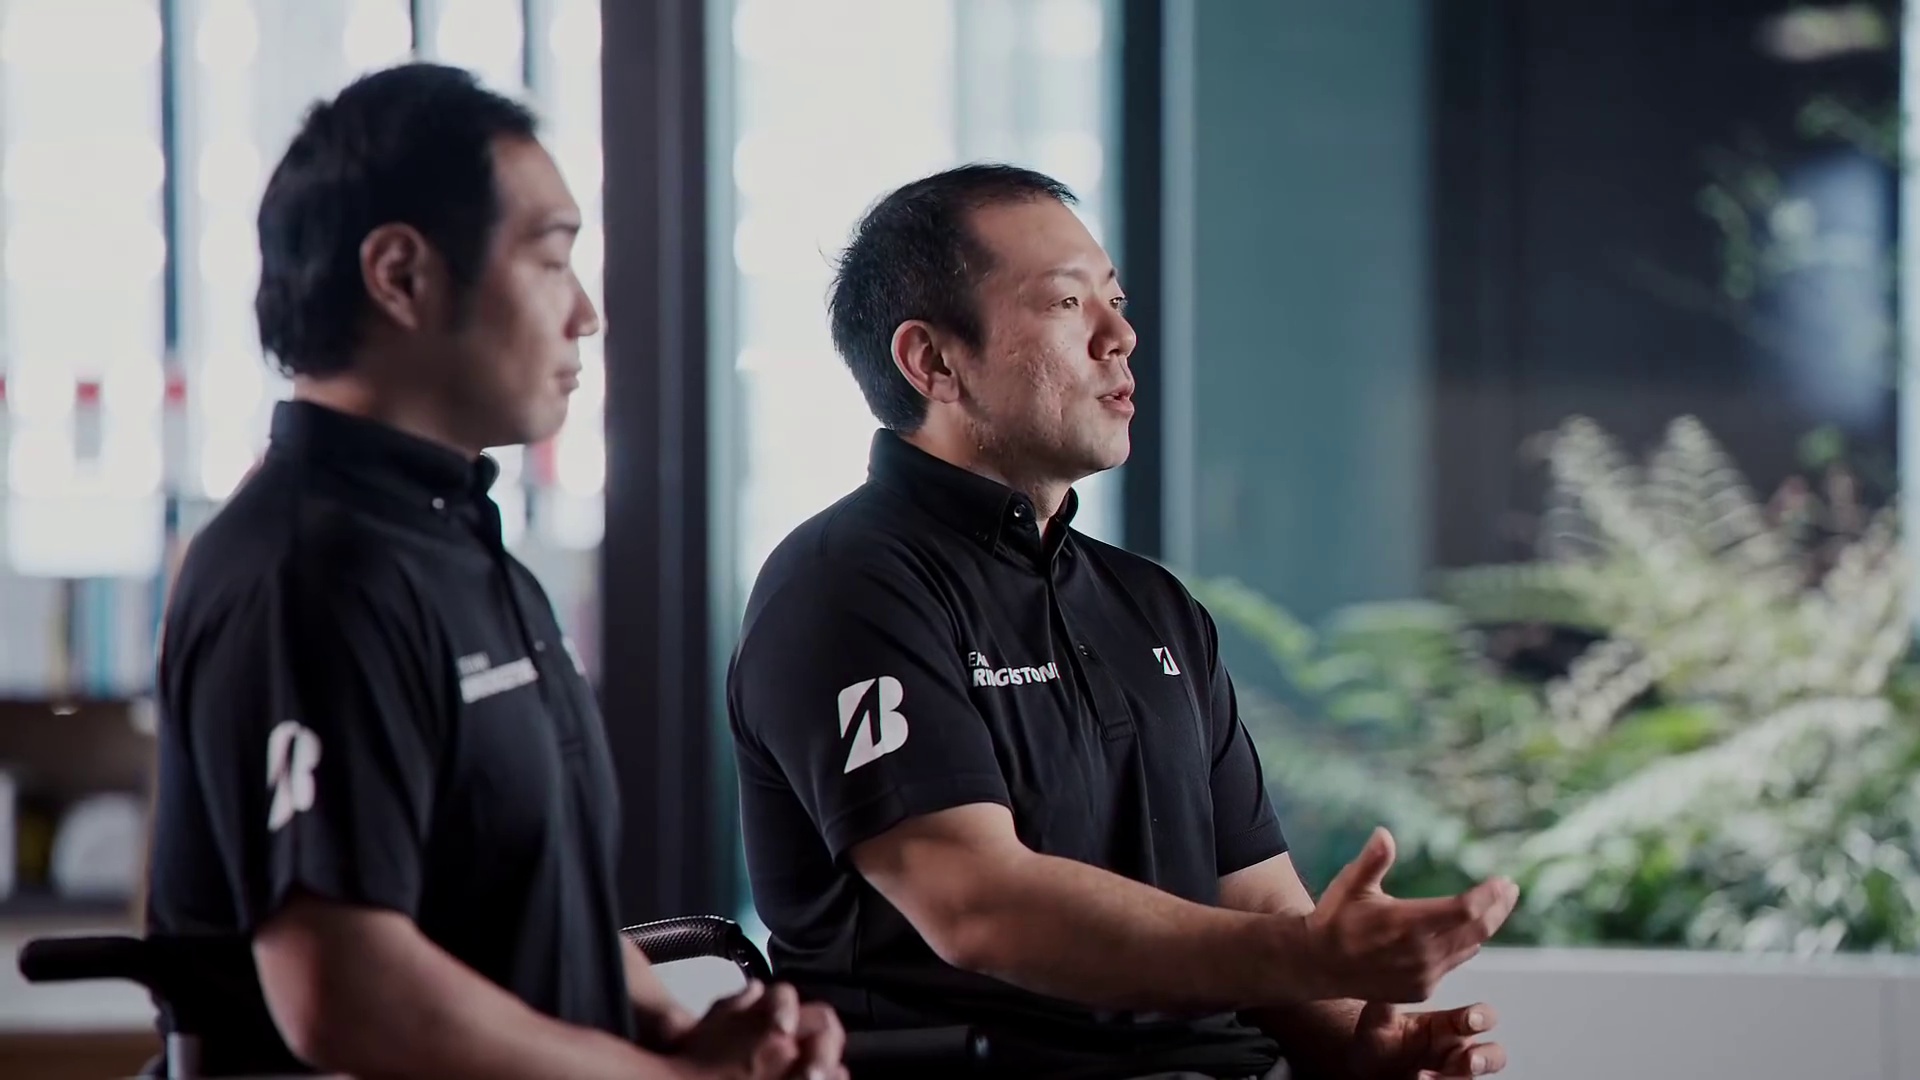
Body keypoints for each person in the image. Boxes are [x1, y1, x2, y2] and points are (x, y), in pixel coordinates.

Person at [726, 163, 1519, 1080]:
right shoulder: (847, 585)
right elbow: (979, 906)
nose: (1121, 335)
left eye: (1117, 299)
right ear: (933, 361)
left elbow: (1258, 900)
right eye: (1068, 303)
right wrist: (1313, 955)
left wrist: (1357, 1043)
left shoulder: (1153, 605)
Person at [146, 62, 844, 1080]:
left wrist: (698, 1036)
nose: (586, 313)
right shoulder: (312, 572)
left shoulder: (463, 547)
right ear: (400, 275)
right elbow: (344, 991)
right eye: (552, 260)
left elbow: (532, 908)